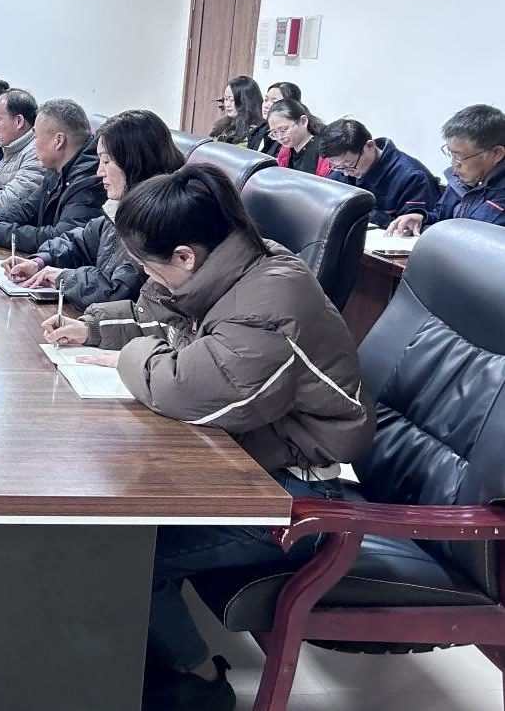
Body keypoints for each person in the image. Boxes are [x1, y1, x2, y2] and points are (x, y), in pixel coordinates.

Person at [44, 164, 374, 711]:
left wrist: (128, 355)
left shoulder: (269, 304)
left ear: (185, 257)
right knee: (102, 507)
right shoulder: (232, 266)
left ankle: (199, 680)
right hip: (254, 461)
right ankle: (132, 647)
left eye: (146, 264)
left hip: (299, 497)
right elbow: (166, 320)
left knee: (116, 550)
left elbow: (182, 389)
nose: (144, 276)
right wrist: (97, 328)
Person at [5, 109, 184, 309]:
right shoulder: (120, 208)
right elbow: (79, 242)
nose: (99, 172)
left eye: (106, 161)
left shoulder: (160, 220)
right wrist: (40, 262)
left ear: (135, 161)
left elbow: (120, 290)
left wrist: (64, 277)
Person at [0, 98, 104, 250]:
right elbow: (30, 206)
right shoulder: (57, 167)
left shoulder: (90, 181)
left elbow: (62, 238)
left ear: (58, 141)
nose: (33, 144)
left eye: (36, 136)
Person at [388, 104, 505, 235]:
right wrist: (421, 218)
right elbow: (441, 217)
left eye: (459, 157)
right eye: (451, 154)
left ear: (496, 154)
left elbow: (469, 237)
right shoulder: (461, 178)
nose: (454, 164)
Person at [320, 118, 440, 228]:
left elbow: (413, 229)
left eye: (349, 165)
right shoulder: (344, 169)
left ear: (370, 146)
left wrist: (361, 212)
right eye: (338, 167)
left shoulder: (412, 177)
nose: (345, 173)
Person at [267, 98, 330, 176]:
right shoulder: (285, 152)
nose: (280, 137)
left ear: (303, 121)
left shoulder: (322, 151)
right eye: (274, 132)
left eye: (284, 130)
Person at [209, 76, 265, 150]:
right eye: (225, 99)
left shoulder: (254, 132)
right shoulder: (224, 124)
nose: (227, 104)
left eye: (232, 100)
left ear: (246, 101)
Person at [258, 82, 301, 156]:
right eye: (266, 100)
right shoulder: (258, 130)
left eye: (274, 102)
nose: (266, 105)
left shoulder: (291, 136)